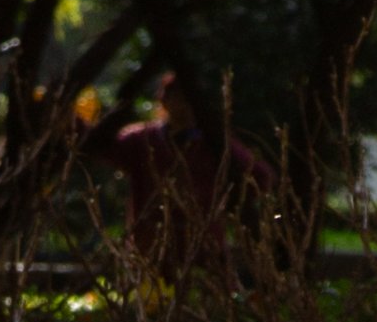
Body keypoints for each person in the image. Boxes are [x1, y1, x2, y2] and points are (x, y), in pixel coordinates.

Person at [89, 73, 275, 278]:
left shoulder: (215, 143)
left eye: (189, 99)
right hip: (151, 245)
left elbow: (260, 177)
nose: (183, 106)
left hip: (204, 245)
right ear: (164, 101)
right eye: (177, 98)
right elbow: (101, 150)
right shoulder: (142, 140)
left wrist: (224, 202)